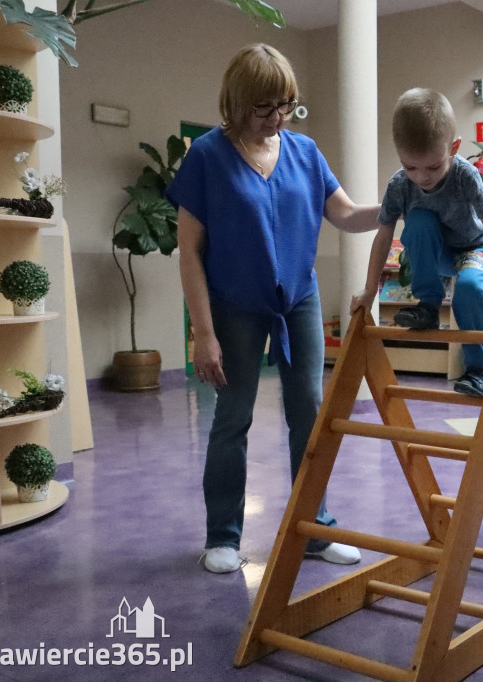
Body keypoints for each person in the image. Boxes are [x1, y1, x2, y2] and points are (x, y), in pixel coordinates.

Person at [167, 44, 379, 574]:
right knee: (232, 417)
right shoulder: (208, 156)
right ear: (237, 103)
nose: (277, 118)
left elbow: (348, 215)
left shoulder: (305, 152)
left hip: (299, 301)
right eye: (265, 108)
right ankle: (223, 536)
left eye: (286, 105)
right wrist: (203, 332)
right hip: (234, 305)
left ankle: (314, 527)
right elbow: (189, 251)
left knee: (309, 413)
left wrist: (403, 198)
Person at [351, 88, 483, 398]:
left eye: (433, 167)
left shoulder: (465, 176)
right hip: (437, 252)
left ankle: (478, 369)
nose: (422, 178)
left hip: (474, 249)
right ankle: (428, 306)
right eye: (410, 167)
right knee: (417, 221)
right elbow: (383, 236)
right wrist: (369, 290)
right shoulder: (399, 185)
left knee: (470, 287)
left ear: (453, 148)